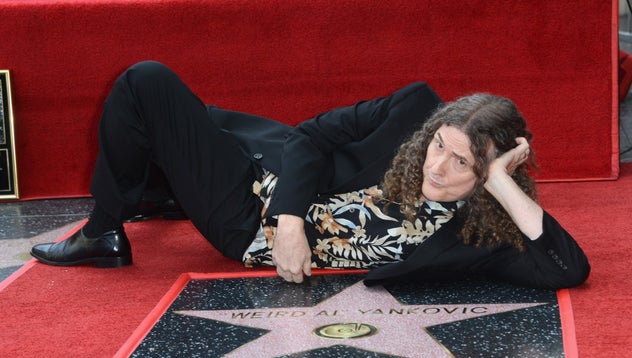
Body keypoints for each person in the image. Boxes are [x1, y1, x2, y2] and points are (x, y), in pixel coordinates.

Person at [31, 61, 590, 290]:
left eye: (464, 164)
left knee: (144, 84)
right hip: (271, 184)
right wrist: (292, 219)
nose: (437, 168)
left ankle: (117, 220)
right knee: (173, 121)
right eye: (438, 145)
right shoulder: (414, 108)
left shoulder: (477, 231)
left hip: (245, 221)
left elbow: (569, 267)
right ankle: (126, 211)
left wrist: (499, 182)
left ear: (489, 172)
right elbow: (312, 135)